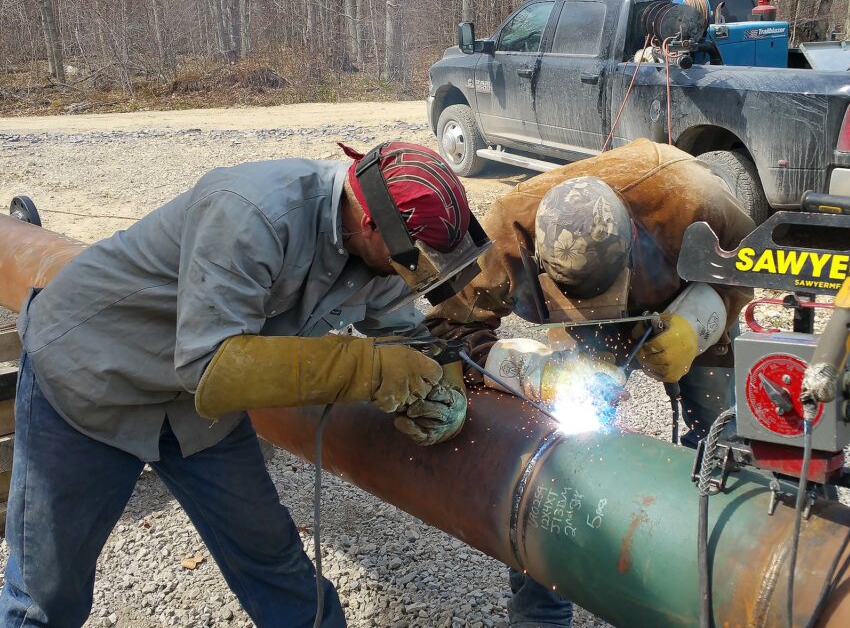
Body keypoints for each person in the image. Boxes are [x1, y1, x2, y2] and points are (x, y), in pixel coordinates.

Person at [1, 141, 487, 627]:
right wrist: (370, 369)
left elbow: (401, 329)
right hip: (89, 380)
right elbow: (209, 365)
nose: (410, 273)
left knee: (273, 563)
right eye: (410, 259)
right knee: (47, 597)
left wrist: (444, 373)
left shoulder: (381, 251)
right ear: (369, 223)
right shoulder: (251, 211)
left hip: (193, 411)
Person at [426, 138, 756, 627]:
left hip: (686, 299)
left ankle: (712, 585)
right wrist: (541, 375)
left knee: (719, 441)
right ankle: (541, 610)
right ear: (540, 263)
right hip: (582, 329)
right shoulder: (505, 235)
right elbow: (450, 334)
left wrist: (694, 327)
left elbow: (743, 271)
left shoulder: (692, 198)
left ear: (631, 255)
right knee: (558, 453)